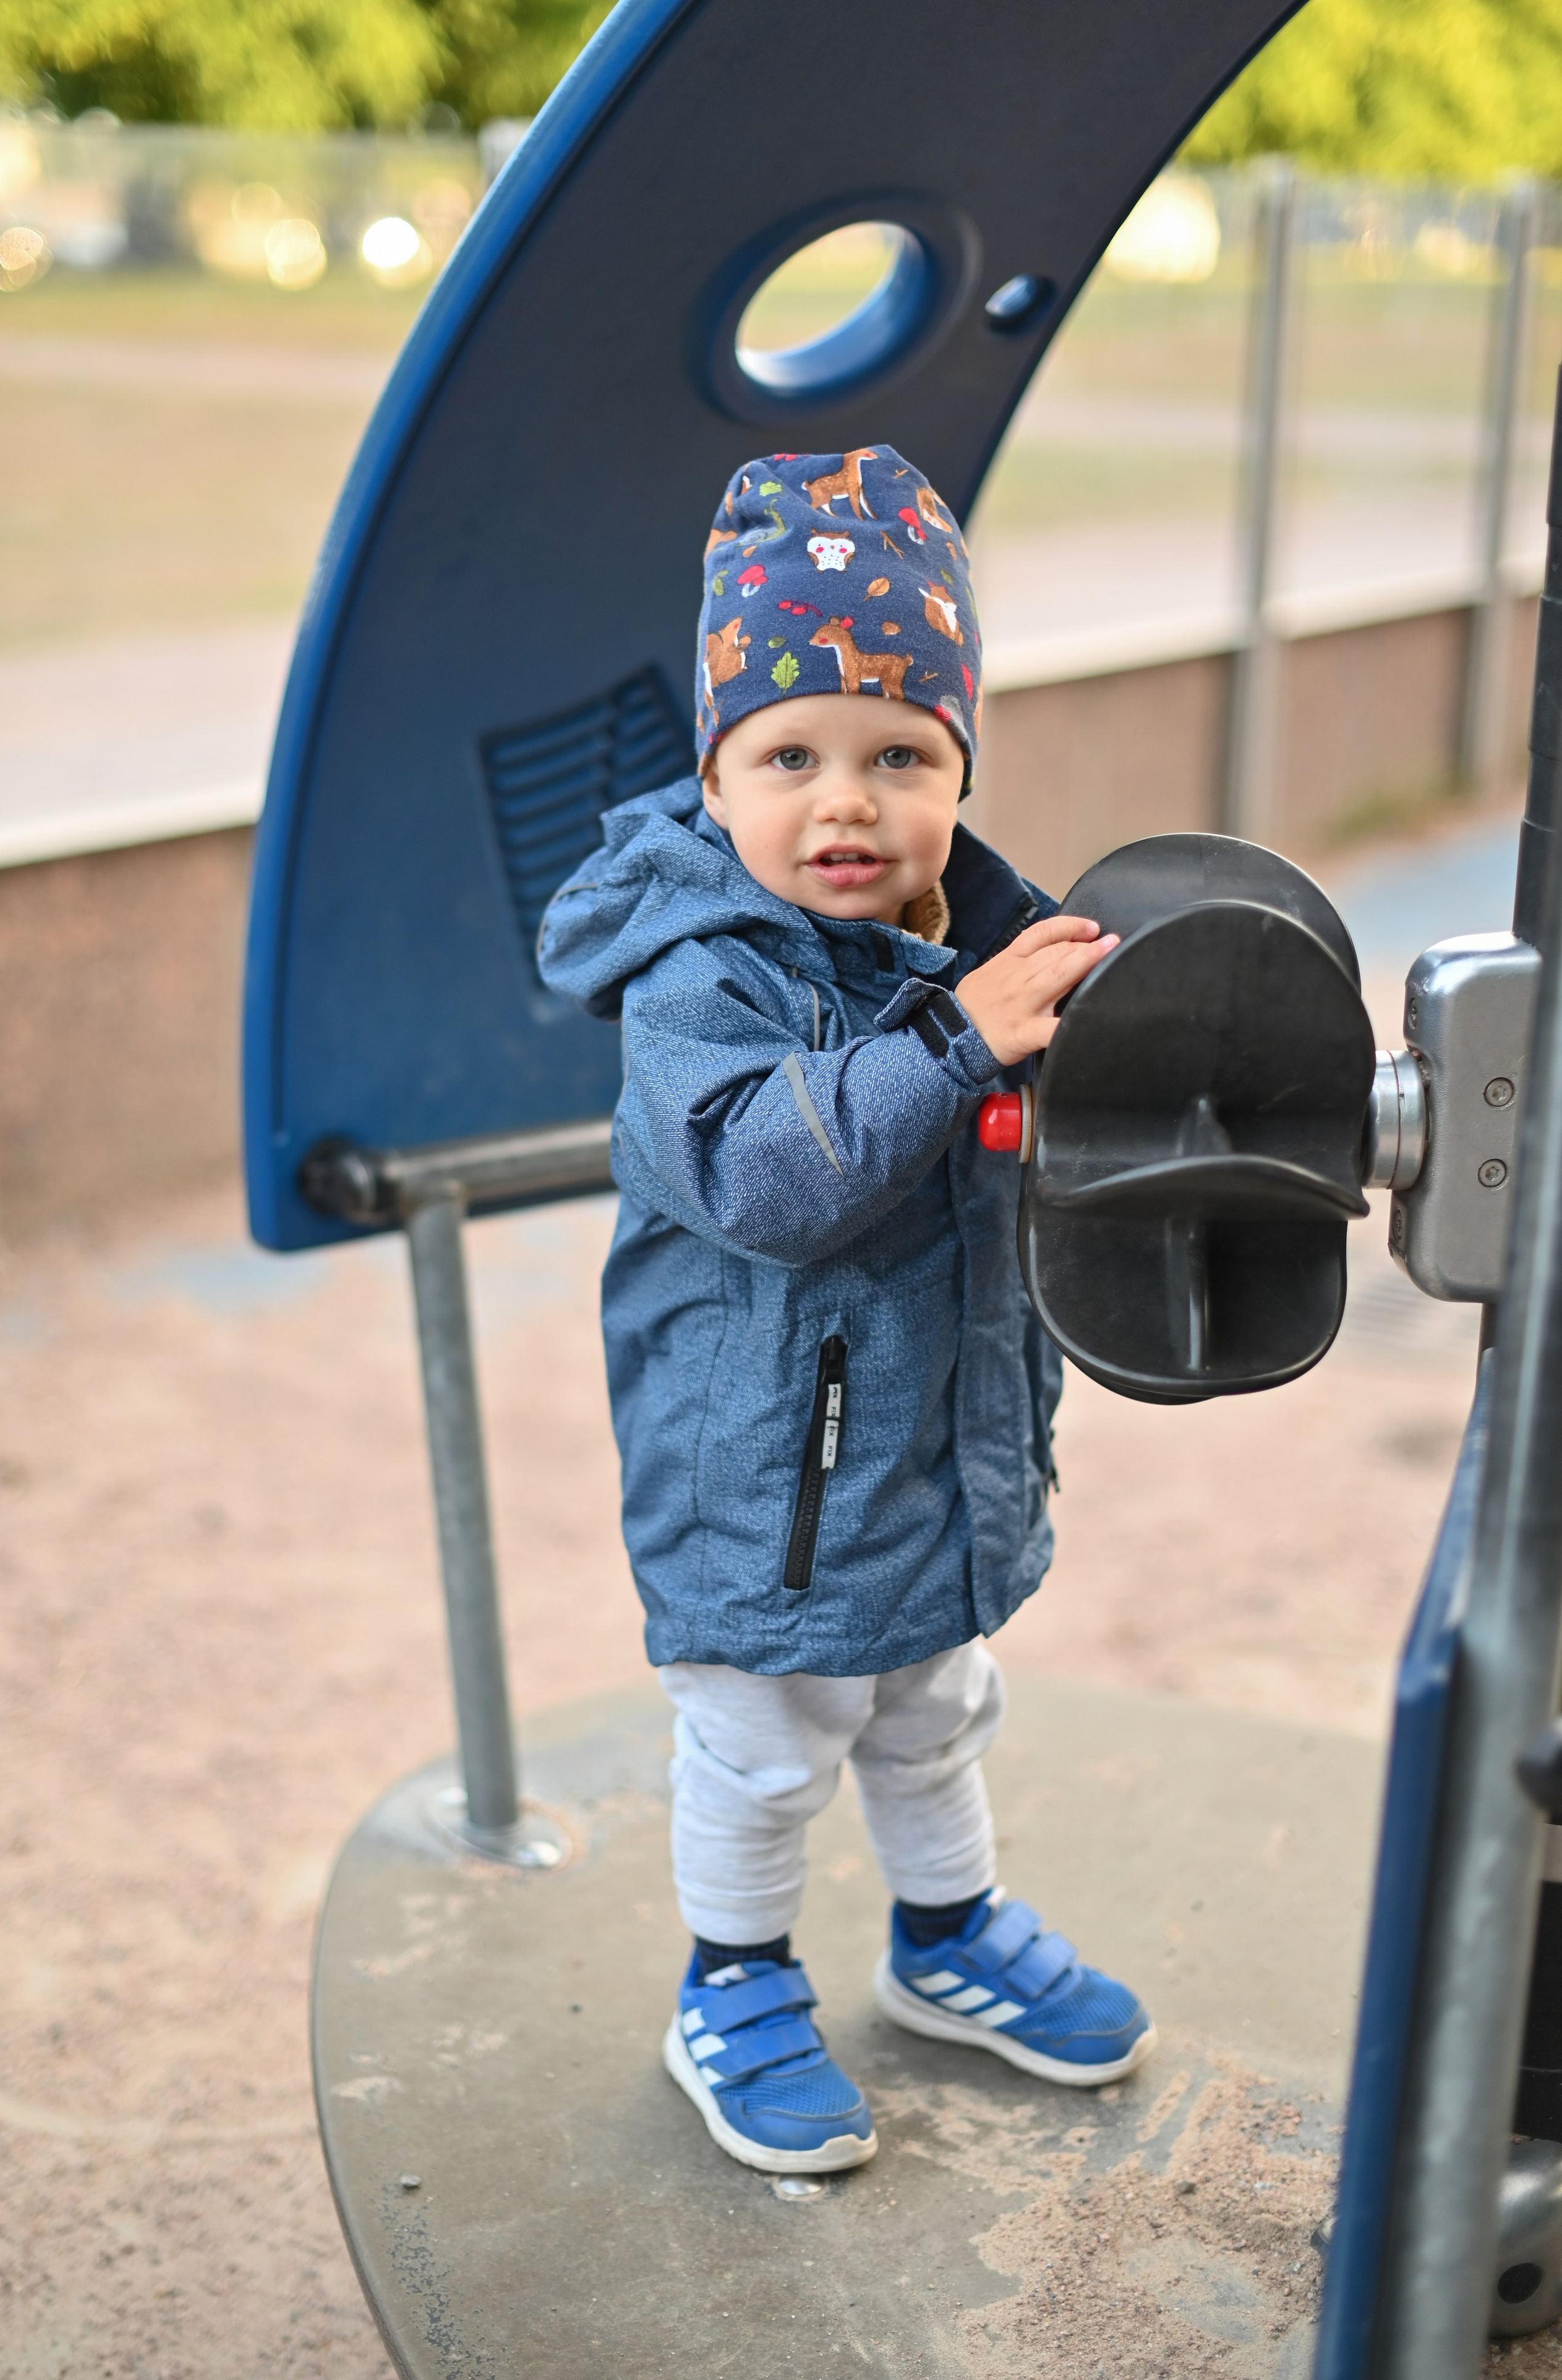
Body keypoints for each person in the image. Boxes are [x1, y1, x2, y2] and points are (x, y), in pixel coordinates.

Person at [537, 445, 1154, 2175]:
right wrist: (958, 1047)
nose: (847, 805)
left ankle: (947, 1939)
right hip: (763, 1490)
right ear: (717, 773)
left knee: (932, 1704)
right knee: (762, 1747)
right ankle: (729, 1986)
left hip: (929, 1457)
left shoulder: (982, 945)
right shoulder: (701, 978)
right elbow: (765, 1181)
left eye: (902, 757)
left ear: (960, 768)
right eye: (791, 755)